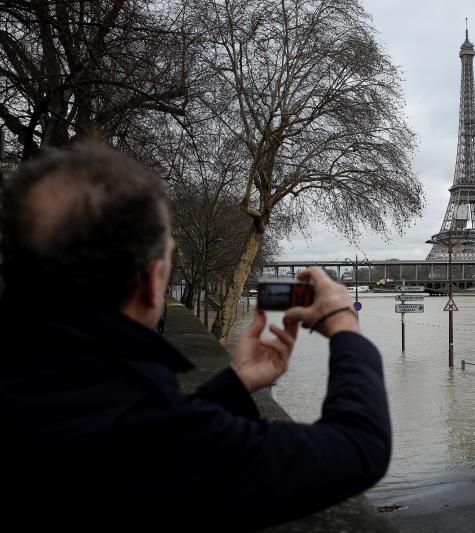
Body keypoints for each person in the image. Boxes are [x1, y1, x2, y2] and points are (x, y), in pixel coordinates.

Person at [0, 143, 391, 531]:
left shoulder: (42, 382)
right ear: (154, 284)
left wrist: (237, 383)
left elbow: (162, 439)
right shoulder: (137, 433)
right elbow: (360, 447)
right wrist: (342, 322)